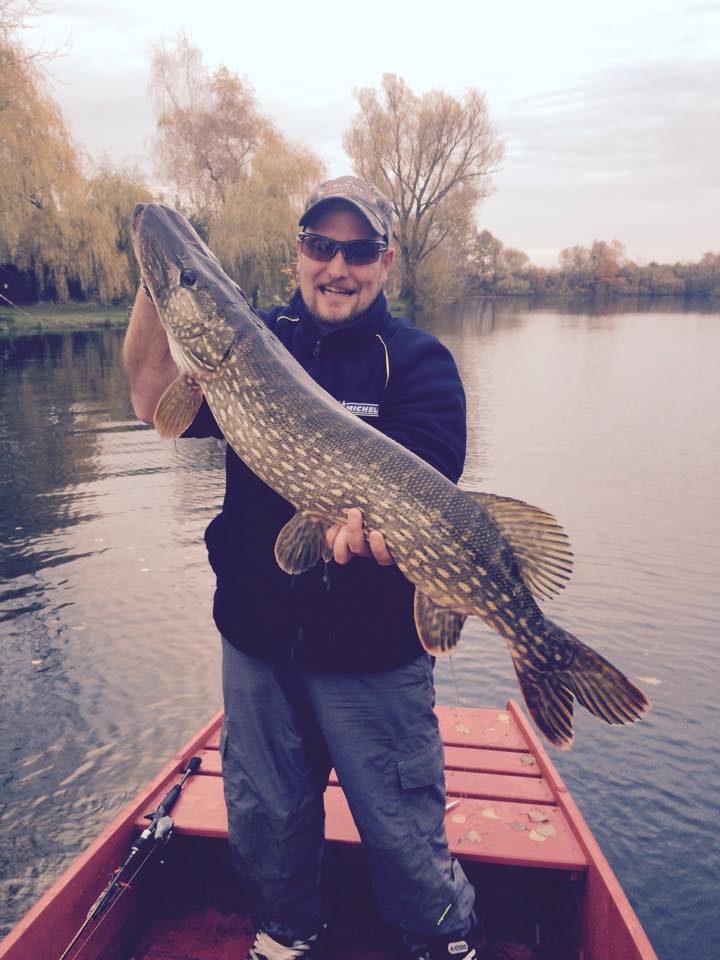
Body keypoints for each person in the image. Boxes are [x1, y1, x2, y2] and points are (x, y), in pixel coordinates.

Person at [123, 175, 477, 960]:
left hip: (373, 660)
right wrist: (162, 284)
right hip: (257, 644)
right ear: (299, 254)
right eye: (321, 246)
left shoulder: (420, 364)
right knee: (266, 821)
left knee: (402, 833)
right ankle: (287, 933)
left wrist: (377, 534)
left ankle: (441, 939)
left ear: (384, 262)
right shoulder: (248, 343)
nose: (337, 266)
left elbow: (428, 483)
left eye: (357, 251)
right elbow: (153, 399)